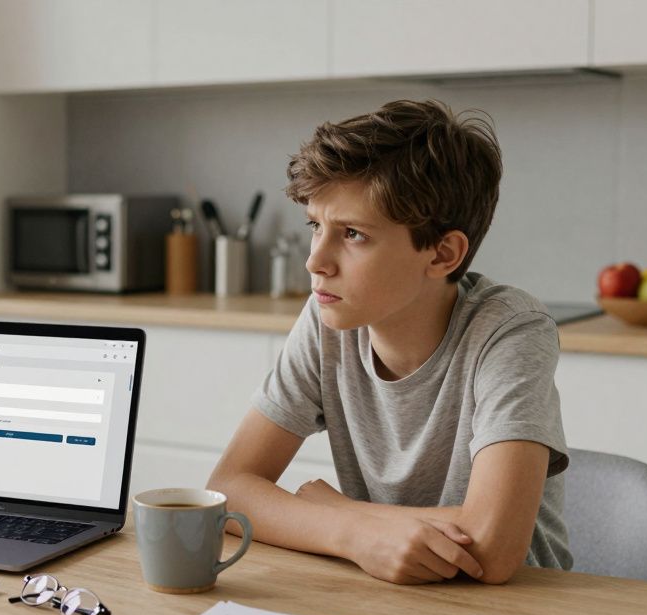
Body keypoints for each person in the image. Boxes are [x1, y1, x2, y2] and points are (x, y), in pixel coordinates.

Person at [208, 99, 570, 586]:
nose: (316, 261)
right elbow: (227, 490)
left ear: (443, 253)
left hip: (519, 609)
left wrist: (333, 506)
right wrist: (352, 531)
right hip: (389, 592)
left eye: (353, 233)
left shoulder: (508, 329)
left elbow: (494, 545)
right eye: (316, 225)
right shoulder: (329, 317)